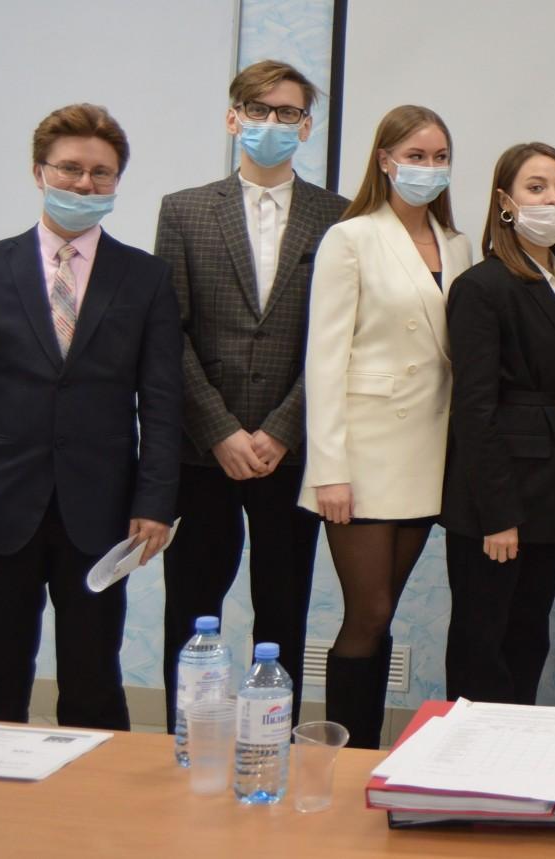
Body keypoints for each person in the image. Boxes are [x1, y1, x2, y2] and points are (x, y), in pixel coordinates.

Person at [0, 104, 182, 729]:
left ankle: (94, 793)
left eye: (101, 173)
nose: (84, 184)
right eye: (69, 169)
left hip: (102, 510)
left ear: (116, 181)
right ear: (39, 171)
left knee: (94, 678)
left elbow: (162, 401)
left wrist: (155, 502)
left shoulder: (145, 278)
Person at [155, 59, 347, 731]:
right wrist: (219, 429)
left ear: (307, 126)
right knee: (190, 607)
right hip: (203, 450)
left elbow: (337, 339)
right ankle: (185, 738)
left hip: (290, 450)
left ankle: (274, 737)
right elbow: (169, 333)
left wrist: (283, 428)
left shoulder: (339, 217)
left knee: (284, 607)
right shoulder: (184, 211)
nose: (273, 123)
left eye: (288, 113)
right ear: (233, 118)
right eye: (259, 110)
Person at [301, 105, 472, 748]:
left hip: (428, 451)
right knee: (367, 612)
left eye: (439, 157)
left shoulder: (457, 244)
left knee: (385, 611)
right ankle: (341, 750)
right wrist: (329, 470)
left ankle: (367, 751)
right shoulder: (351, 237)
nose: (429, 167)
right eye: (416, 156)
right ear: (385, 160)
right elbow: (324, 359)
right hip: (365, 454)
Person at [440, 142, 555, 706]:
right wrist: (497, 515)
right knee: (484, 643)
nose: (554, 198)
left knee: (529, 637)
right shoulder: (483, 286)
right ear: (505, 201)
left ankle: (516, 751)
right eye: (536, 187)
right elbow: (475, 409)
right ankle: (468, 757)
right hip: (498, 499)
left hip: (551, 485)